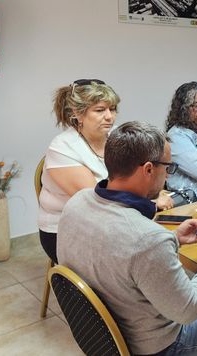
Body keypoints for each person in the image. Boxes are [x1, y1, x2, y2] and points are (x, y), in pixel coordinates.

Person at [57, 121, 197, 355]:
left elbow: (119, 252)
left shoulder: (77, 202)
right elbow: (188, 310)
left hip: (106, 335)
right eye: (168, 167)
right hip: (157, 345)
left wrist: (174, 239)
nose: (168, 174)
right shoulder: (147, 239)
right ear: (148, 169)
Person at [37, 79, 172, 263]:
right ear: (78, 113)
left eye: (113, 109)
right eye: (100, 110)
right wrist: (153, 201)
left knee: (157, 247)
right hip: (65, 233)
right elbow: (98, 202)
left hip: (112, 220)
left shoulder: (115, 135)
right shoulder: (62, 148)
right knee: (143, 260)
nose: (109, 116)